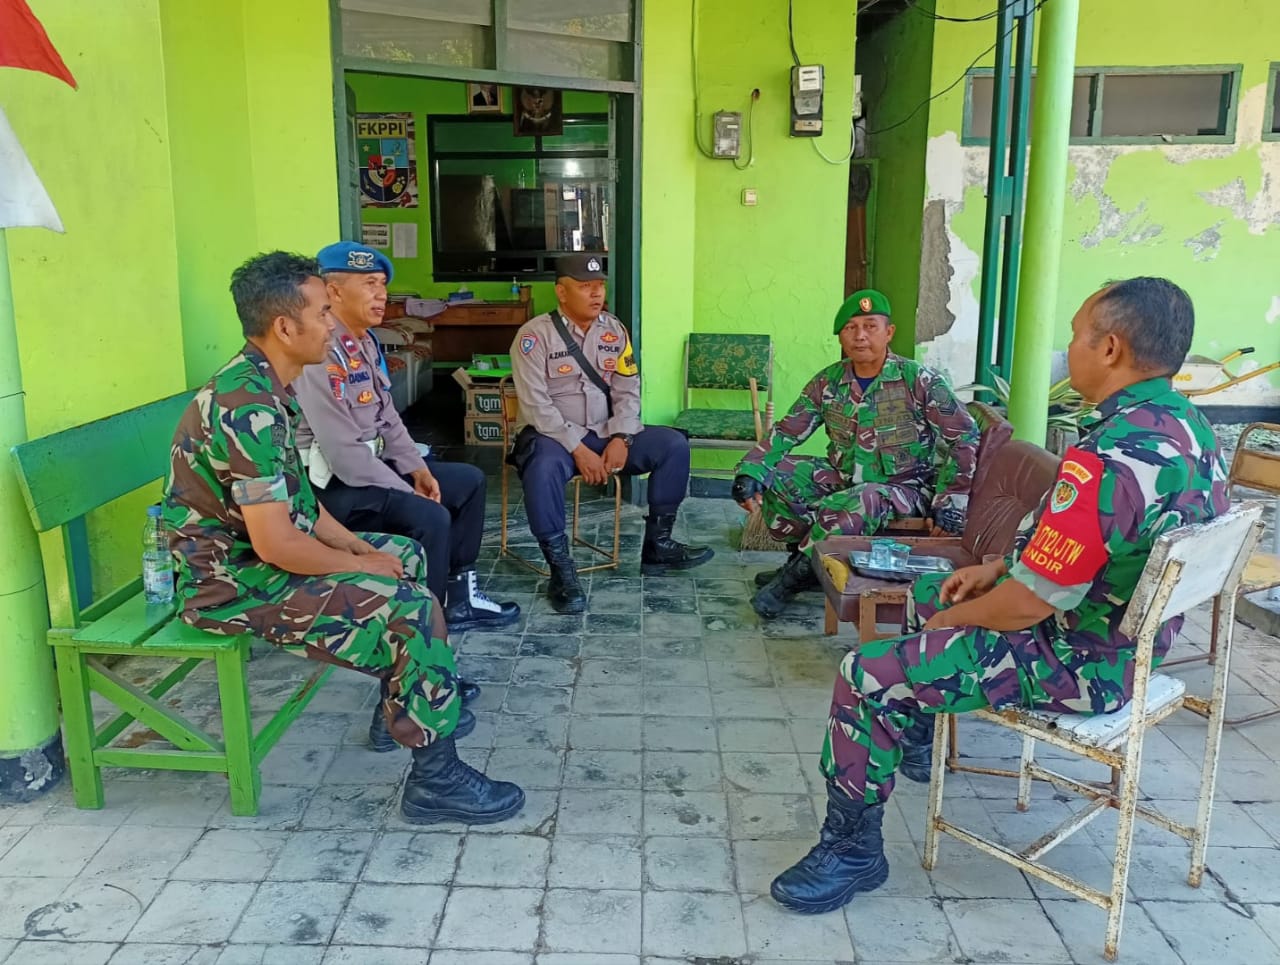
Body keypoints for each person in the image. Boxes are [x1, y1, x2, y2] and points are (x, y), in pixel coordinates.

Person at [770, 277, 1229, 915]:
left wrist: (959, 617)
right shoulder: (1189, 430)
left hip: (1078, 661)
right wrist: (996, 569)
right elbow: (1094, 550)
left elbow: (1026, 607)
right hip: (1127, 642)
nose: (1068, 348)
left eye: (1076, 335)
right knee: (925, 593)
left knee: (863, 673)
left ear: (1111, 349)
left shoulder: (1108, 457)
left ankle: (852, 850)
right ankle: (917, 727)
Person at [165, 251, 524, 825]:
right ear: (285, 327)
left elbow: (302, 506)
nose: (332, 323)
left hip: (253, 559)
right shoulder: (246, 405)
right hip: (226, 584)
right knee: (408, 606)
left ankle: (403, 708)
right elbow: (277, 545)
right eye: (321, 313)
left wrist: (360, 549)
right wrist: (358, 566)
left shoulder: (267, 386)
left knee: (404, 555)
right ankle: (436, 779)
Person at [292, 241, 519, 638]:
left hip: (370, 472)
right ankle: (426, 625)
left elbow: (387, 418)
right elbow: (344, 456)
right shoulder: (321, 354)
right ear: (334, 292)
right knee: (430, 515)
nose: (382, 294)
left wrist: (417, 469)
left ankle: (459, 597)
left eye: (382, 284)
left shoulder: (363, 342)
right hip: (331, 489)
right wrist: (405, 489)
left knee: (467, 482)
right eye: (370, 284)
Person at [732, 289, 980, 619]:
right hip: (844, 479)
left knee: (864, 498)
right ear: (841, 337)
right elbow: (787, 431)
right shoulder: (828, 382)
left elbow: (964, 438)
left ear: (889, 332)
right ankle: (805, 563)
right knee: (779, 474)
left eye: (870, 326)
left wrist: (951, 501)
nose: (860, 336)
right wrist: (750, 470)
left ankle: (790, 581)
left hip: (904, 489)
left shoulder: (919, 380)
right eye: (850, 328)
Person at [508, 253, 712, 613]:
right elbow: (537, 406)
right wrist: (578, 450)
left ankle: (658, 546)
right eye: (585, 287)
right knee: (541, 467)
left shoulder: (614, 330)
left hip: (605, 433)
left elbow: (627, 390)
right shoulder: (534, 336)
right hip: (552, 438)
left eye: (599, 285)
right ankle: (561, 570)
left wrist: (622, 438)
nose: (596, 293)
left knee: (673, 444)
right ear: (561, 292)